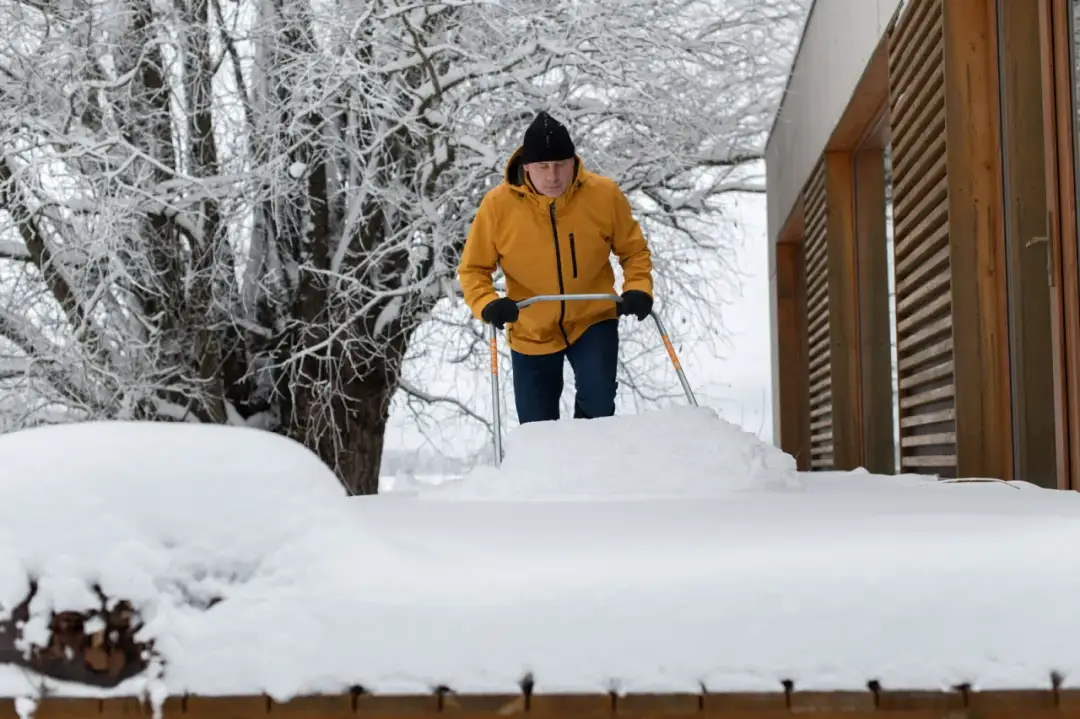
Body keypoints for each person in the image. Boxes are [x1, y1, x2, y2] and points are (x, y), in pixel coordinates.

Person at [457, 110, 654, 424]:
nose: (553, 176)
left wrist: (638, 288)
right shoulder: (498, 206)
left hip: (592, 316)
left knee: (600, 403)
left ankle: (588, 460)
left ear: (574, 162)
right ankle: (548, 471)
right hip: (530, 325)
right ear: (527, 168)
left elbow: (634, 252)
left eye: (561, 164)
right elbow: (473, 269)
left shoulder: (604, 195)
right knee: (537, 425)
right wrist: (488, 304)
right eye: (543, 167)